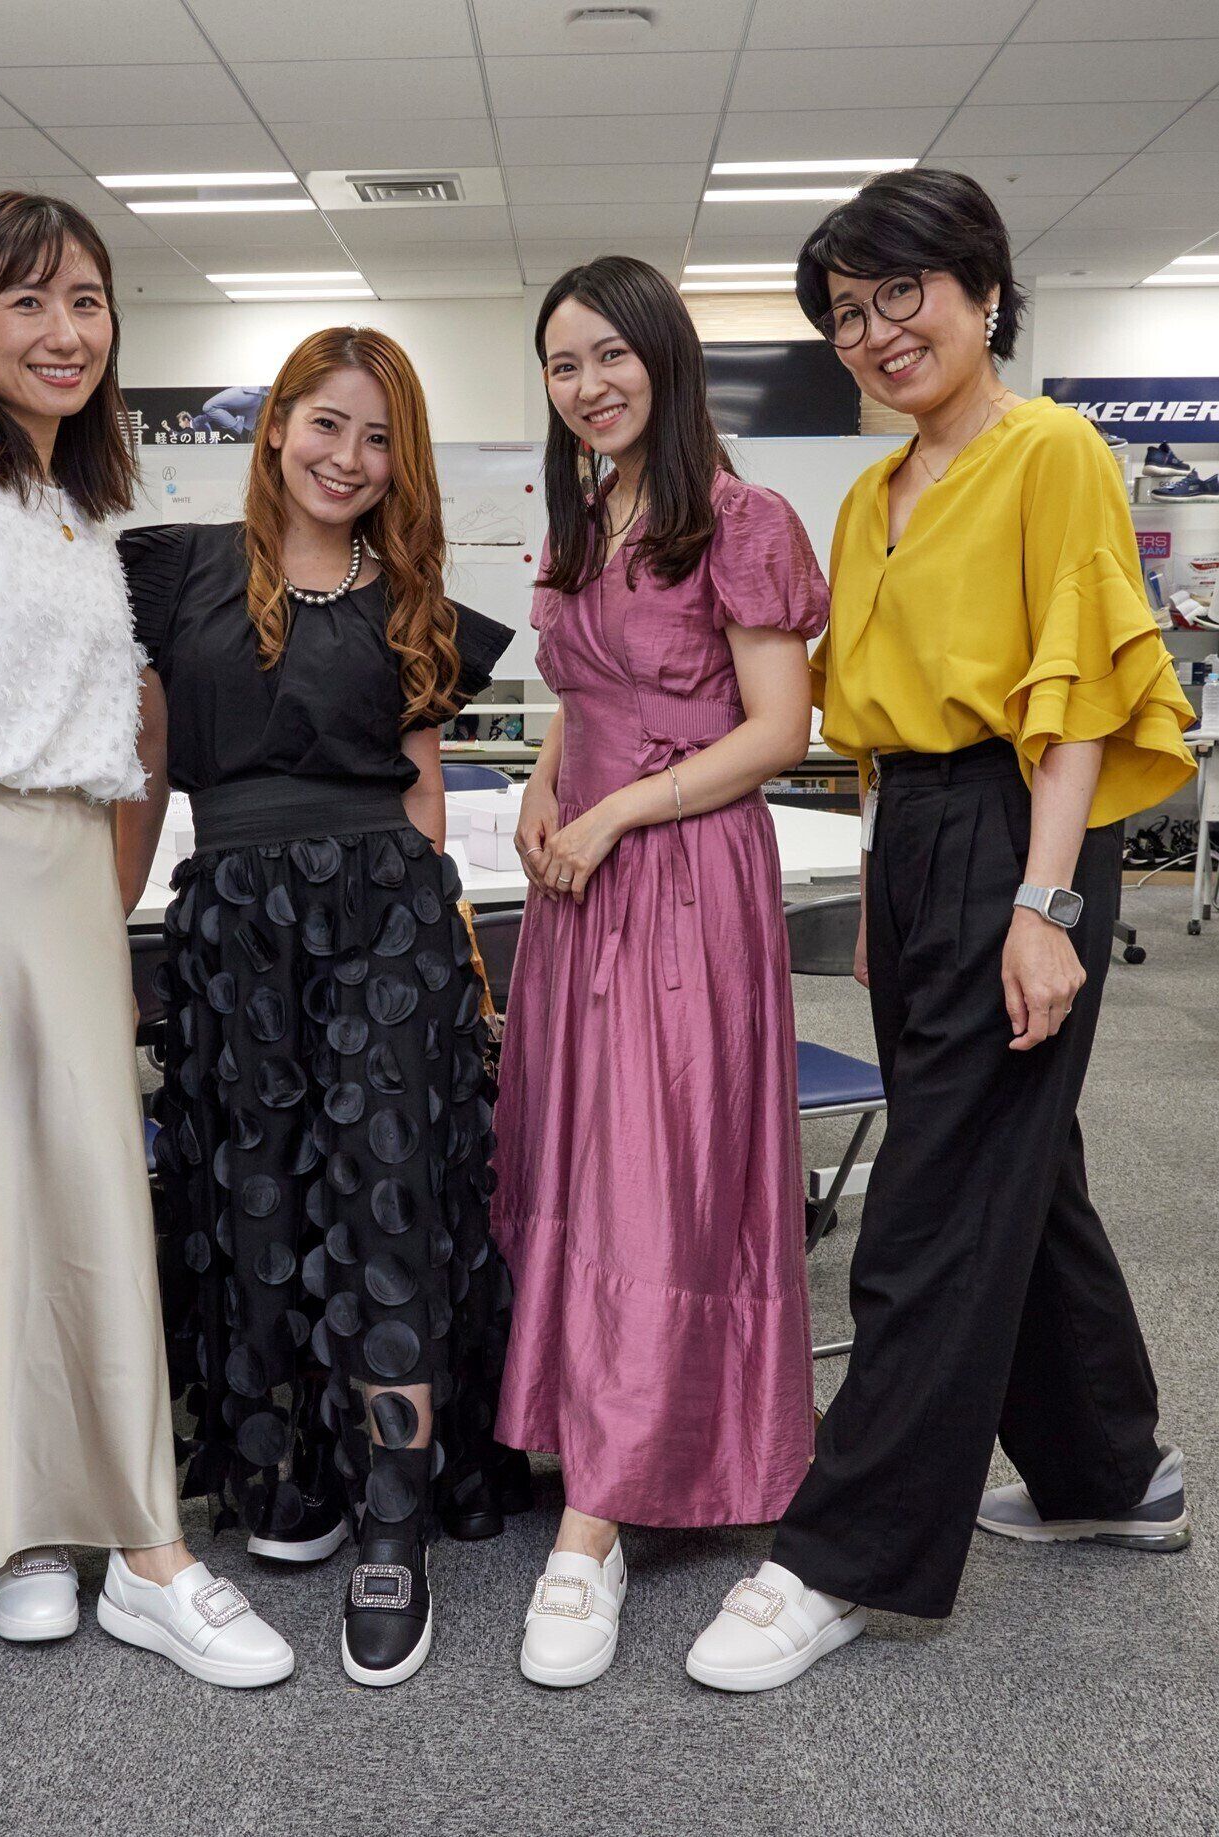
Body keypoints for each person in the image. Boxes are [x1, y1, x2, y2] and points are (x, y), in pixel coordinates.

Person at [688, 168, 1197, 1692]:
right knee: (1012, 1161)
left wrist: (1043, 902)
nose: (873, 331)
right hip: (911, 837)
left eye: (898, 293)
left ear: (982, 290)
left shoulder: (1051, 452)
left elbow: (1073, 697)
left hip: (1016, 817)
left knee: (926, 1200)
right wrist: (880, 899)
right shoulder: (873, 493)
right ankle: (1112, 1470)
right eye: (845, 313)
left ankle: (843, 1552)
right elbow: (869, 727)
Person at [0, 191, 290, 1689]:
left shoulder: (81, 503)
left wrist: (99, 902)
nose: (63, 331)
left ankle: (139, 1544)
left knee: (90, 1195)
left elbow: (118, 738)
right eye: (26, 300)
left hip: (66, 877)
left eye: (86, 300)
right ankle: (16, 1529)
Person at [117, 326, 515, 1687]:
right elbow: (147, 771)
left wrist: (445, 958)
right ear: (276, 424)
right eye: (327, 424)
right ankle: (288, 1465)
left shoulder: (410, 600)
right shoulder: (174, 574)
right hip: (230, 922)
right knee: (257, 1200)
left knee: (387, 1205)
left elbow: (421, 789)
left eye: (380, 437)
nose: (349, 457)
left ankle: (393, 1521)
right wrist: (109, 930)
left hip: (382, 920)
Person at [492, 257, 827, 1689]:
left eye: (611, 355)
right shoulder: (586, 515)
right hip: (582, 882)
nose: (588, 386)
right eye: (563, 364)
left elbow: (777, 730)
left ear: (666, 359)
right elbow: (586, 695)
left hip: (684, 878)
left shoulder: (738, 519)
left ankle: (596, 1524)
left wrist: (619, 809)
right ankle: (598, 1427)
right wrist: (543, 782)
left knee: (656, 1172)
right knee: (578, 1158)